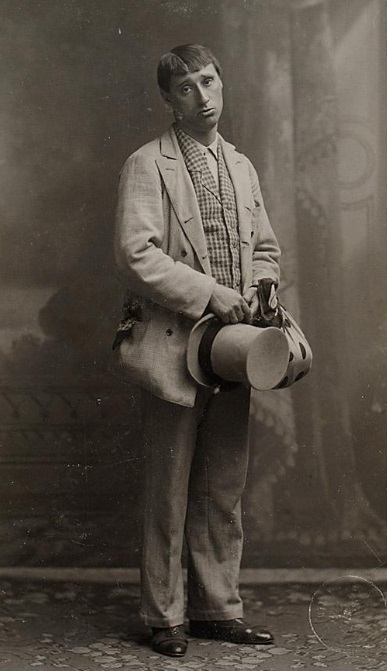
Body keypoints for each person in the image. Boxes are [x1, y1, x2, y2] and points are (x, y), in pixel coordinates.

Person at [113, 44, 281, 658]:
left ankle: (217, 608)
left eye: (209, 81)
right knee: (170, 485)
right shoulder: (146, 165)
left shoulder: (241, 166)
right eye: (186, 88)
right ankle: (166, 617)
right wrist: (210, 292)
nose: (203, 97)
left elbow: (265, 247)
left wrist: (260, 290)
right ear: (169, 100)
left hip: (233, 348)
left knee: (223, 484)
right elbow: (136, 255)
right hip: (172, 346)